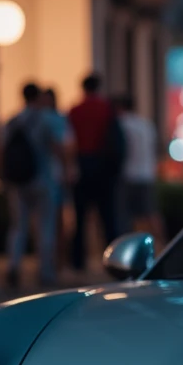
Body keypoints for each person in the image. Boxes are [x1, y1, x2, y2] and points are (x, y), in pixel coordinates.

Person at [0, 83, 59, 290]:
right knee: (45, 226)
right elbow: (62, 145)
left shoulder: (12, 121)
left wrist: (5, 177)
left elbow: (1, 150)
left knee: (18, 226)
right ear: (39, 97)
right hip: (43, 179)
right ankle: (45, 271)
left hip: (18, 181)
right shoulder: (48, 119)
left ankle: (13, 265)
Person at [68, 73, 123, 270]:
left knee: (80, 217)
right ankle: (114, 260)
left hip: (81, 166)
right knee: (108, 216)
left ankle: (78, 261)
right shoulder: (106, 109)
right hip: (103, 167)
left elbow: (69, 140)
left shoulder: (75, 111)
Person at [115, 94, 160, 236]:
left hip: (127, 175)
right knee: (150, 213)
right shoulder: (146, 125)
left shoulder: (121, 124)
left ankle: (128, 246)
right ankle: (163, 244)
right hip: (146, 174)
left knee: (124, 217)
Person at [41, 87, 75, 278]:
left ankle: (54, 264)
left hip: (45, 178)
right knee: (55, 223)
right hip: (53, 178)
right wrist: (68, 167)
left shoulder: (30, 119)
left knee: (50, 223)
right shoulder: (58, 120)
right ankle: (54, 265)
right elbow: (67, 146)